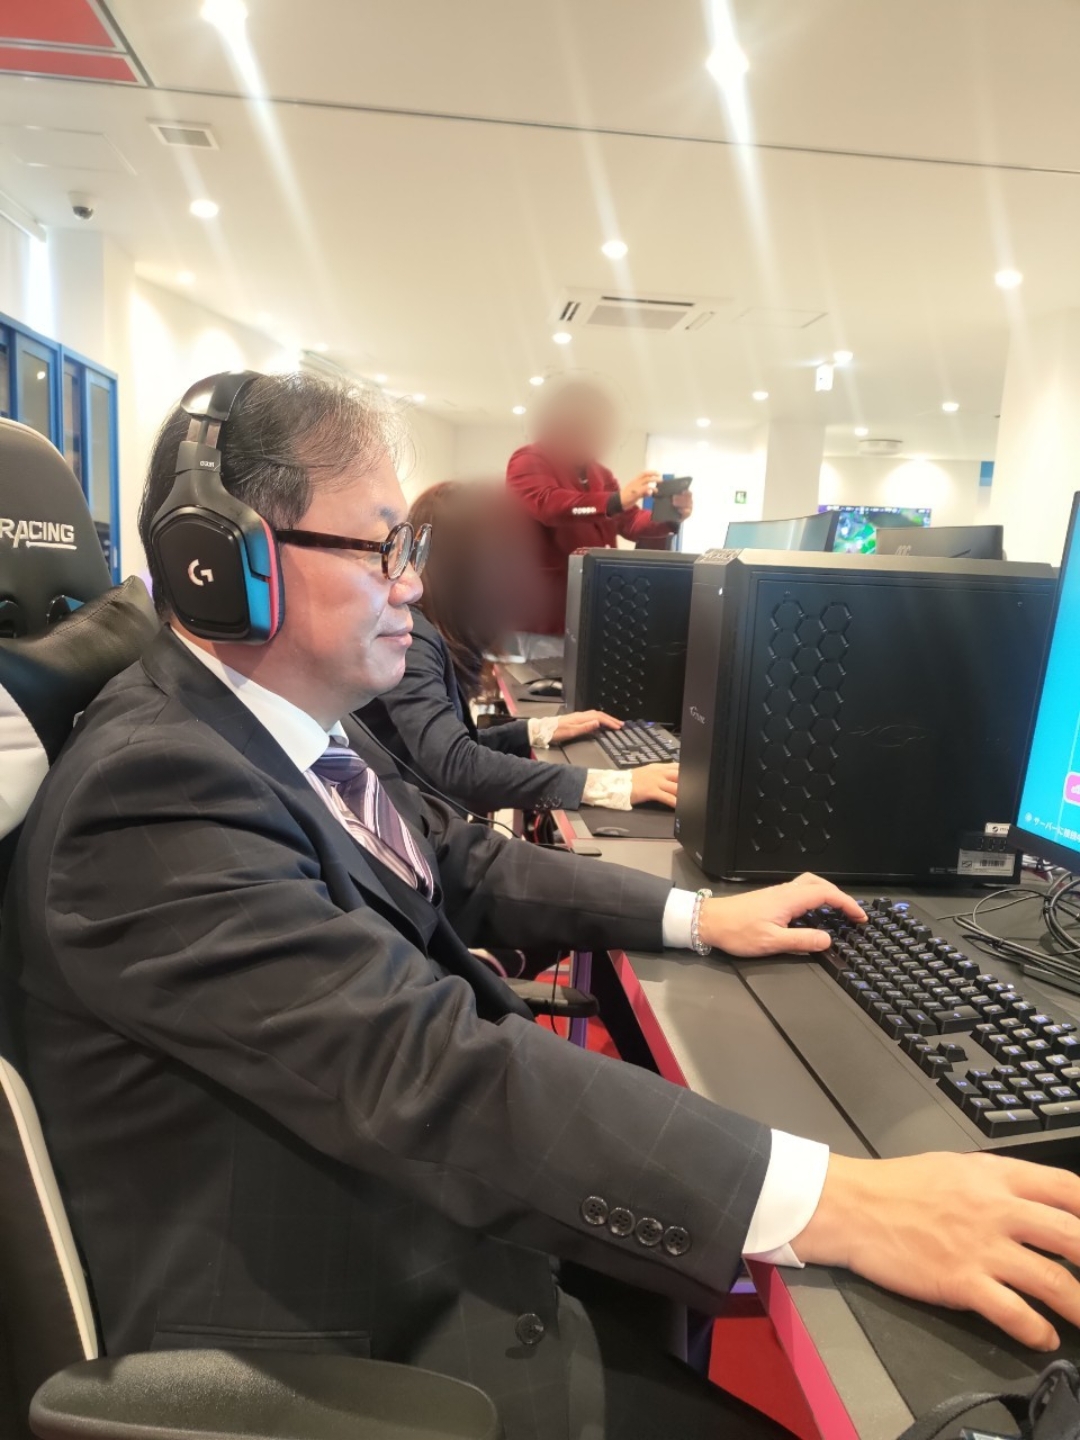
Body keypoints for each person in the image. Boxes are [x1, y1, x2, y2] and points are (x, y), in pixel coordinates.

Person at [8, 372, 1080, 1440]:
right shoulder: (151, 796)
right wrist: (843, 1201)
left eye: (409, 548)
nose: (411, 585)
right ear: (220, 564)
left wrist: (697, 918)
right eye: (380, 548)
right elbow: (428, 1070)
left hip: (419, 1220)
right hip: (355, 1338)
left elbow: (461, 860)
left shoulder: (278, 731)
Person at [358, 480, 678, 815]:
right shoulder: (412, 641)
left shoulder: (431, 630)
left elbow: (454, 743)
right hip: (412, 830)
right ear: (467, 567)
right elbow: (455, 763)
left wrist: (538, 730)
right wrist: (613, 786)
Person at [506, 379, 692, 650]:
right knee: (545, 677)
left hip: (595, 609)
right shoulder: (528, 459)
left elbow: (629, 521)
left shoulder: (600, 473)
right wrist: (616, 500)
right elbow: (548, 505)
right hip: (547, 614)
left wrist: (670, 516)